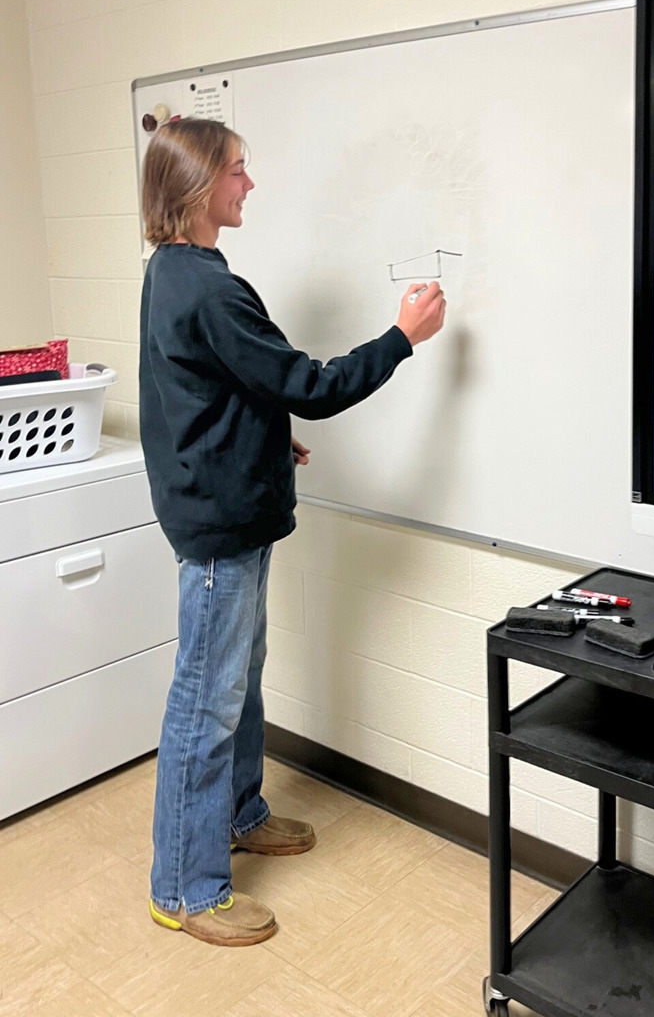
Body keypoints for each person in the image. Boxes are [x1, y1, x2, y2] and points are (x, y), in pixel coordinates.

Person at [139, 117, 446, 948]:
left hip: (228, 512)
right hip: (218, 532)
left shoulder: (175, 272)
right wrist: (400, 341)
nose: (249, 184)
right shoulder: (206, 285)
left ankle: (238, 816)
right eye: (238, 170)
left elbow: (201, 393)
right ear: (200, 185)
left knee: (235, 684)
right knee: (204, 706)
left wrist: (265, 435)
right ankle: (185, 889)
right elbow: (306, 384)